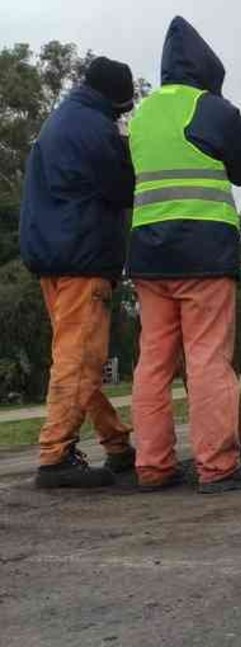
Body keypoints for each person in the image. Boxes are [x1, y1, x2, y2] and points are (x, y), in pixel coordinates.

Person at [127, 17, 241, 494]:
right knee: (207, 358)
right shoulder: (209, 108)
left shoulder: (140, 115)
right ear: (207, 68)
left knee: (153, 361)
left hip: (148, 255)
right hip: (203, 253)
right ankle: (217, 465)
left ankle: (152, 465)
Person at [19, 57, 137, 489]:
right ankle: (55, 456)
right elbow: (123, 187)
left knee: (78, 356)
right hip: (83, 256)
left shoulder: (62, 120)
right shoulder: (94, 128)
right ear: (115, 99)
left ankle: (116, 443)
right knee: (80, 360)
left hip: (53, 255)